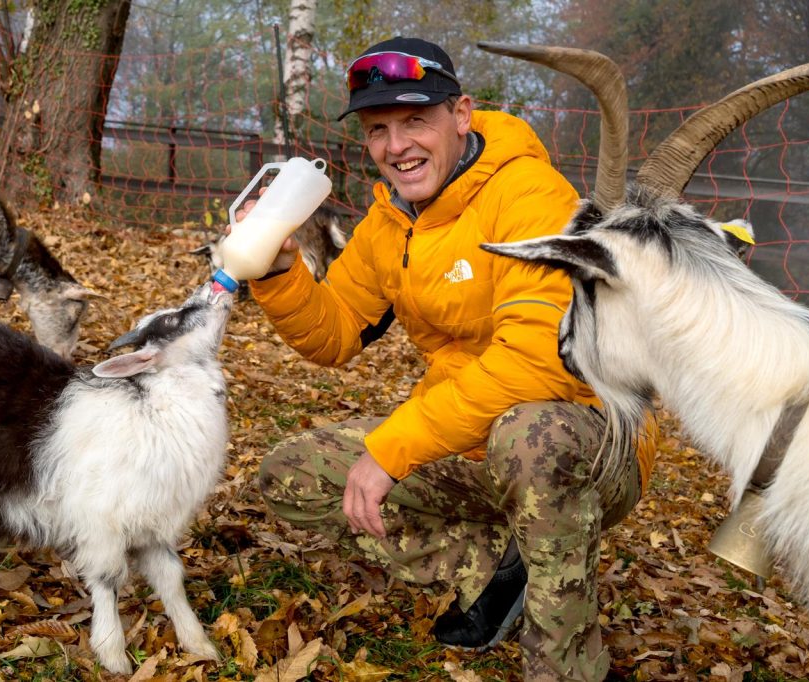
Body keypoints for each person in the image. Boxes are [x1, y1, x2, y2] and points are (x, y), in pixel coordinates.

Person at [246, 36, 657, 681]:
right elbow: (332, 334)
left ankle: (570, 664)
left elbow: (539, 360)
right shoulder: (392, 221)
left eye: (416, 120)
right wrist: (275, 270)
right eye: (379, 129)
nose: (397, 146)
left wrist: (395, 447)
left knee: (530, 438)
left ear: (461, 115)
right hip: (468, 439)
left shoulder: (529, 195)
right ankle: (502, 568)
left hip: (587, 435)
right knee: (293, 474)